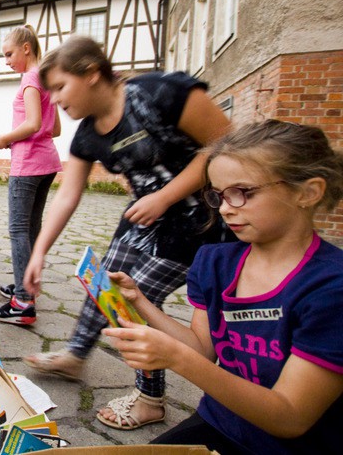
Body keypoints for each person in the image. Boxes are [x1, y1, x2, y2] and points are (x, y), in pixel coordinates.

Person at [22, 36, 232, 430]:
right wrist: (39, 252)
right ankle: (75, 356)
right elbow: (67, 194)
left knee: (132, 301)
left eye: (60, 87)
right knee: (102, 282)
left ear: (92, 73)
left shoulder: (162, 93)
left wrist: (165, 197)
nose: (54, 99)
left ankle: (150, 399)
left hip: (200, 221)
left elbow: (224, 145)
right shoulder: (87, 134)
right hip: (145, 217)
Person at [102, 120, 343, 453]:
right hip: (221, 422)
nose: (226, 208)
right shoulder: (216, 262)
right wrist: (139, 301)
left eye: (243, 192)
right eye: (218, 195)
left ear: (308, 192)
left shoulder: (331, 288)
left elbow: (291, 417)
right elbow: (203, 348)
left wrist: (175, 358)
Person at [0, 25, 62, 326]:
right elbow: (54, 129)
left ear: (26, 48)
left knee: (18, 230)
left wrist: (4, 138)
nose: (6, 61)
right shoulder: (46, 77)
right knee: (31, 228)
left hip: (28, 164)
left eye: (9, 54)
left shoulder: (30, 78)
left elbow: (32, 124)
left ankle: (22, 302)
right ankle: (25, 285)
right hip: (48, 162)